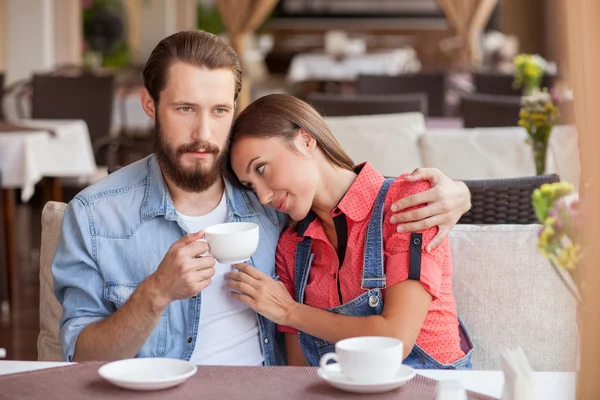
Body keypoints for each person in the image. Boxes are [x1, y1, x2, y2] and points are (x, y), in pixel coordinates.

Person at [52, 30, 471, 365]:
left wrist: (459, 193)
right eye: (184, 109)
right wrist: (155, 293)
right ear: (150, 104)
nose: (203, 133)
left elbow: (361, 198)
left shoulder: (272, 209)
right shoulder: (94, 216)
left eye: (219, 111)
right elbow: (80, 359)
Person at [226, 94, 473, 369]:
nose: (262, 196)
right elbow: (298, 374)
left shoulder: (407, 203)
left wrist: (289, 311)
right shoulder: (292, 246)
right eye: (250, 185)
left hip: (430, 388)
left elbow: (395, 340)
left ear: (305, 141)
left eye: (261, 168)